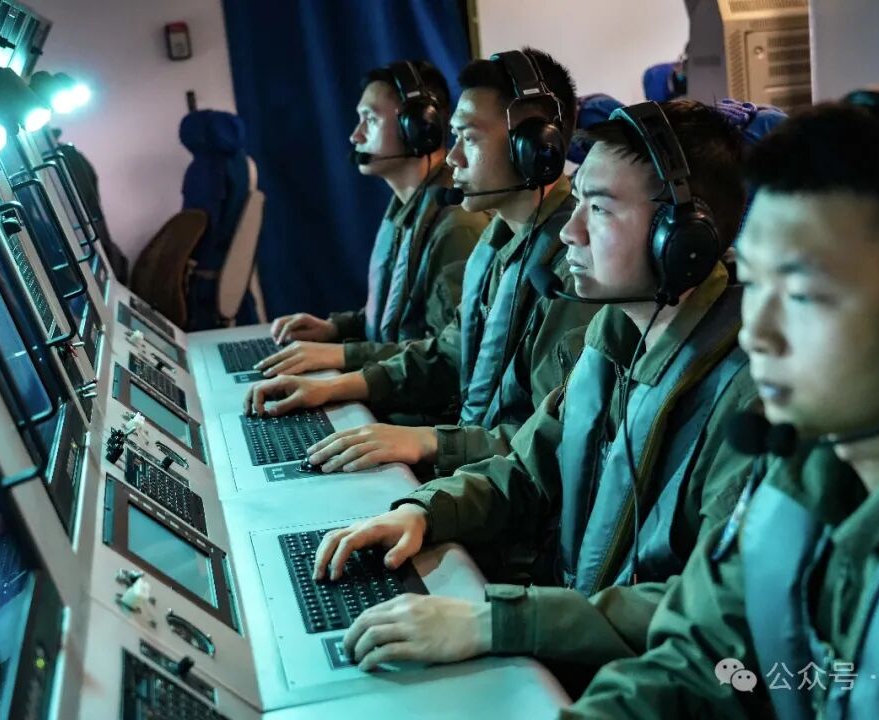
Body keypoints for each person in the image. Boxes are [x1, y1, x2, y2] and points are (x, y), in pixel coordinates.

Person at [565, 74, 879, 719]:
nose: (757, 333)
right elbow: (697, 665)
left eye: (801, 294)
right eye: (755, 283)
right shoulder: (800, 474)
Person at [310, 99, 760, 680]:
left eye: (599, 209)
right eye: (578, 203)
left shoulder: (747, 398)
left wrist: (496, 622)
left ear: (681, 238)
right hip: (569, 644)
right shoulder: (616, 333)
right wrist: (423, 511)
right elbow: (527, 469)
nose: (571, 231)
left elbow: (711, 615)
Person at [246, 49, 597, 475]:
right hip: (472, 472)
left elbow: (551, 443)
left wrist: (426, 441)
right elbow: (449, 354)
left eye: (469, 138)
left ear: (535, 150)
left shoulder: (570, 272)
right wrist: (334, 382)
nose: (453, 158)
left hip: (497, 488)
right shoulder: (498, 243)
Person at [257, 60, 485, 378]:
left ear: (419, 128)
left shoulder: (456, 226)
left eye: (371, 119)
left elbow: (450, 357)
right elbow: (401, 318)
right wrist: (335, 329)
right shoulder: (407, 208)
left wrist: (343, 355)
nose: (355, 135)